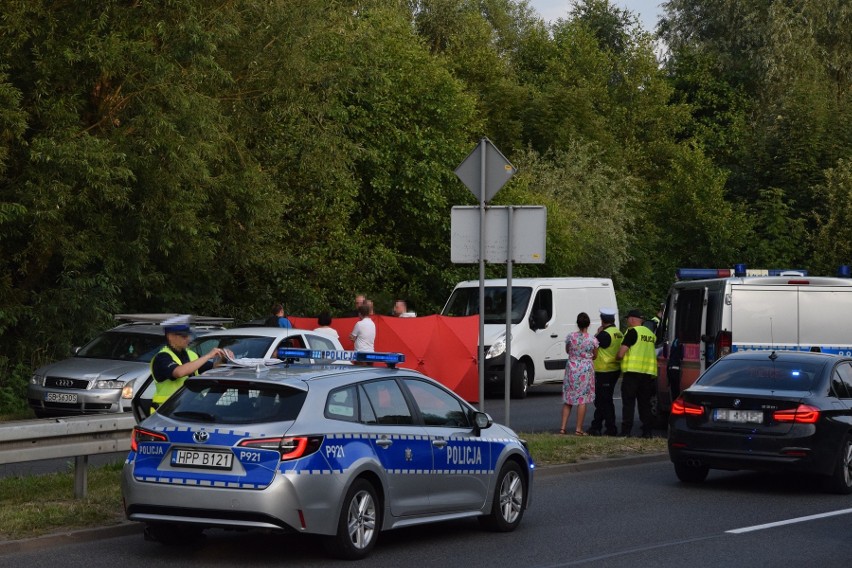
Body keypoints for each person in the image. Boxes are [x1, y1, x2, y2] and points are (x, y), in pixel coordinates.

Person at [150, 315, 229, 411]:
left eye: (188, 335)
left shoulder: (191, 354)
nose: (188, 339)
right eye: (183, 336)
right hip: (168, 411)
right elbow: (179, 372)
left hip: (189, 407)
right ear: (170, 336)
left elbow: (214, 367)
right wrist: (208, 355)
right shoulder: (162, 357)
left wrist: (224, 357)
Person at [616, 308, 658, 438]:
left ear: (632, 319)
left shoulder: (632, 332)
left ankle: (626, 432)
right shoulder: (650, 334)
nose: (628, 321)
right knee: (644, 404)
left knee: (629, 403)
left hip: (632, 373)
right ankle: (647, 432)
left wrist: (616, 358)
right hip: (647, 374)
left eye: (628, 318)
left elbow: (621, 353)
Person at [559, 312, 598, 435]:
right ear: (589, 324)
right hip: (585, 370)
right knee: (582, 399)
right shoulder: (592, 339)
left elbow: (567, 350)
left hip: (572, 368)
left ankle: (563, 428)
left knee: (568, 399)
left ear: (577, 323)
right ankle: (578, 429)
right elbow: (595, 355)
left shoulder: (571, 337)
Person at [587, 308, 623, 436]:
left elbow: (591, 344)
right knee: (604, 400)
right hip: (614, 369)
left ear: (602, 320)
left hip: (604, 370)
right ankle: (596, 426)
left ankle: (609, 428)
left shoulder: (604, 334)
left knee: (604, 401)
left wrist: (597, 333)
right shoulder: (618, 332)